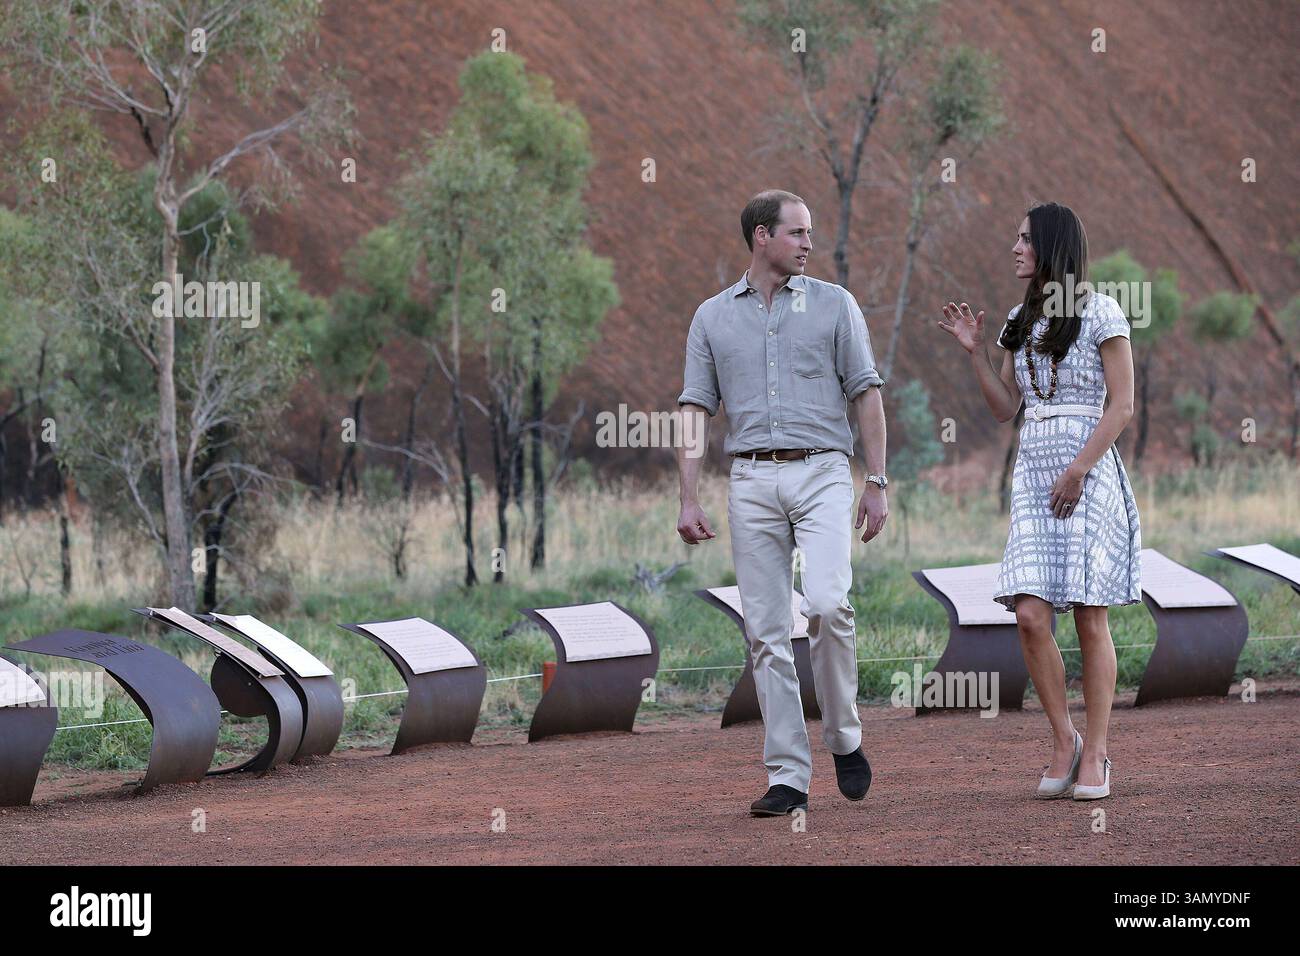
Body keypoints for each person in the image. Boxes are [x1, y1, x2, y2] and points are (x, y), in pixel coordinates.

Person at [675, 189, 889, 816]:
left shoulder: (835, 305)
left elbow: (867, 394)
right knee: (766, 633)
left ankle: (844, 735)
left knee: (826, 603)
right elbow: (694, 408)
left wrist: (876, 481)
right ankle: (788, 775)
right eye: (797, 233)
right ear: (761, 236)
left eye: (810, 234)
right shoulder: (712, 317)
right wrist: (688, 496)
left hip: (823, 471)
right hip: (749, 480)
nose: (808, 244)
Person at [936, 201, 1141, 801]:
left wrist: (1079, 469)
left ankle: (1098, 752)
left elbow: (1122, 406)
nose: (1015, 248)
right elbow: (1007, 409)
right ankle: (1063, 739)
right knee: (1029, 615)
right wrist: (975, 353)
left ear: (1051, 246)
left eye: (1025, 239)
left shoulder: (1102, 311)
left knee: (1088, 613)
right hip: (1032, 475)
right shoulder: (1017, 319)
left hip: (1089, 469)